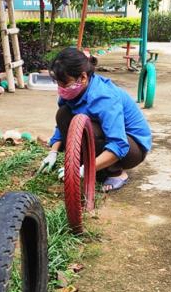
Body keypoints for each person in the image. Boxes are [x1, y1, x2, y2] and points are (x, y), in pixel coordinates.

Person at [37, 47, 152, 192]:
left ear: (83, 77)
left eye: (65, 84)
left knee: (87, 128)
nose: (61, 89)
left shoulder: (104, 97)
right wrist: (53, 152)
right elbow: (61, 125)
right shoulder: (72, 91)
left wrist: (84, 170)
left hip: (131, 149)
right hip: (107, 138)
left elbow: (119, 144)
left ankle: (116, 173)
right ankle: (94, 165)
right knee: (63, 114)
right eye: (58, 84)